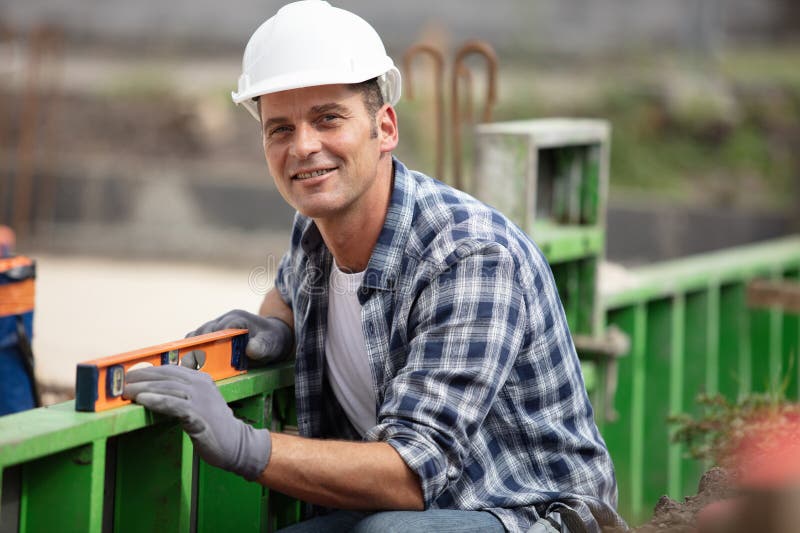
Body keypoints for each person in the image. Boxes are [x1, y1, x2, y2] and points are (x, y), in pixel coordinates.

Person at [123, 1, 626, 531]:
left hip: (531, 512)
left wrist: (244, 446)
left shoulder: (469, 256)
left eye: (328, 119)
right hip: (415, 509)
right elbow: (288, 294)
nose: (303, 146)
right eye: (280, 129)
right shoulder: (314, 230)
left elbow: (410, 474)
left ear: (384, 128)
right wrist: (276, 326)